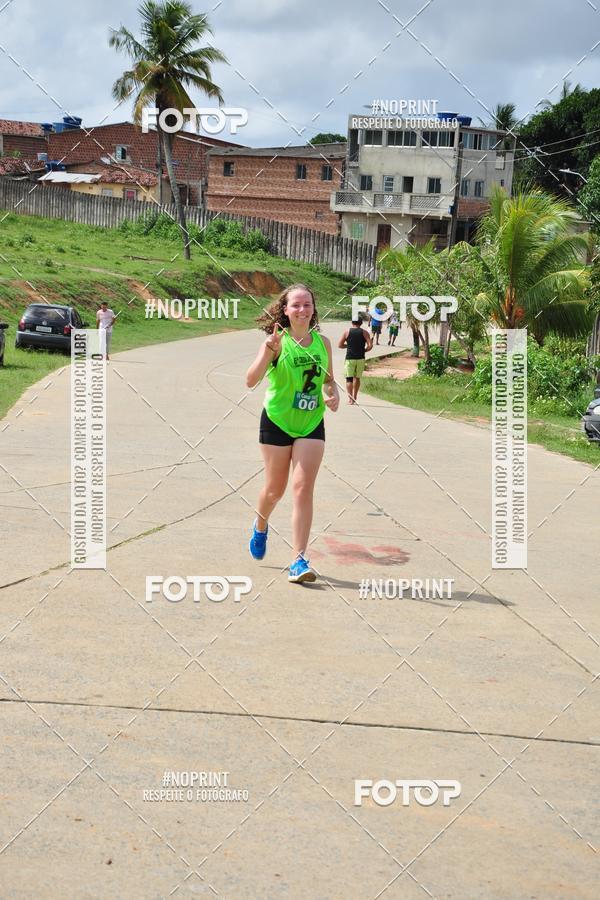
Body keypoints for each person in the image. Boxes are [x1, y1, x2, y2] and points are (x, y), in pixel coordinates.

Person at [245, 283, 339, 583]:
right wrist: (267, 353)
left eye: (307, 304)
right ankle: (260, 525)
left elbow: (327, 380)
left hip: (311, 423)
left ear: (314, 309)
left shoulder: (322, 343)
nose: (302, 310)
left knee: (302, 489)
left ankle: (299, 560)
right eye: (295, 305)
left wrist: (332, 393)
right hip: (277, 420)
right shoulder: (276, 342)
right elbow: (250, 381)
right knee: (275, 490)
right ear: (285, 310)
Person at [338, 314, 372, 404]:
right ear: (361, 323)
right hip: (361, 358)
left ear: (352, 322)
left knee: (349, 378)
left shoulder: (347, 332)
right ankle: (355, 396)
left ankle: (350, 398)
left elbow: (340, 345)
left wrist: (348, 346)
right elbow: (370, 345)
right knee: (357, 378)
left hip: (350, 358)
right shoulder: (365, 332)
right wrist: (364, 350)